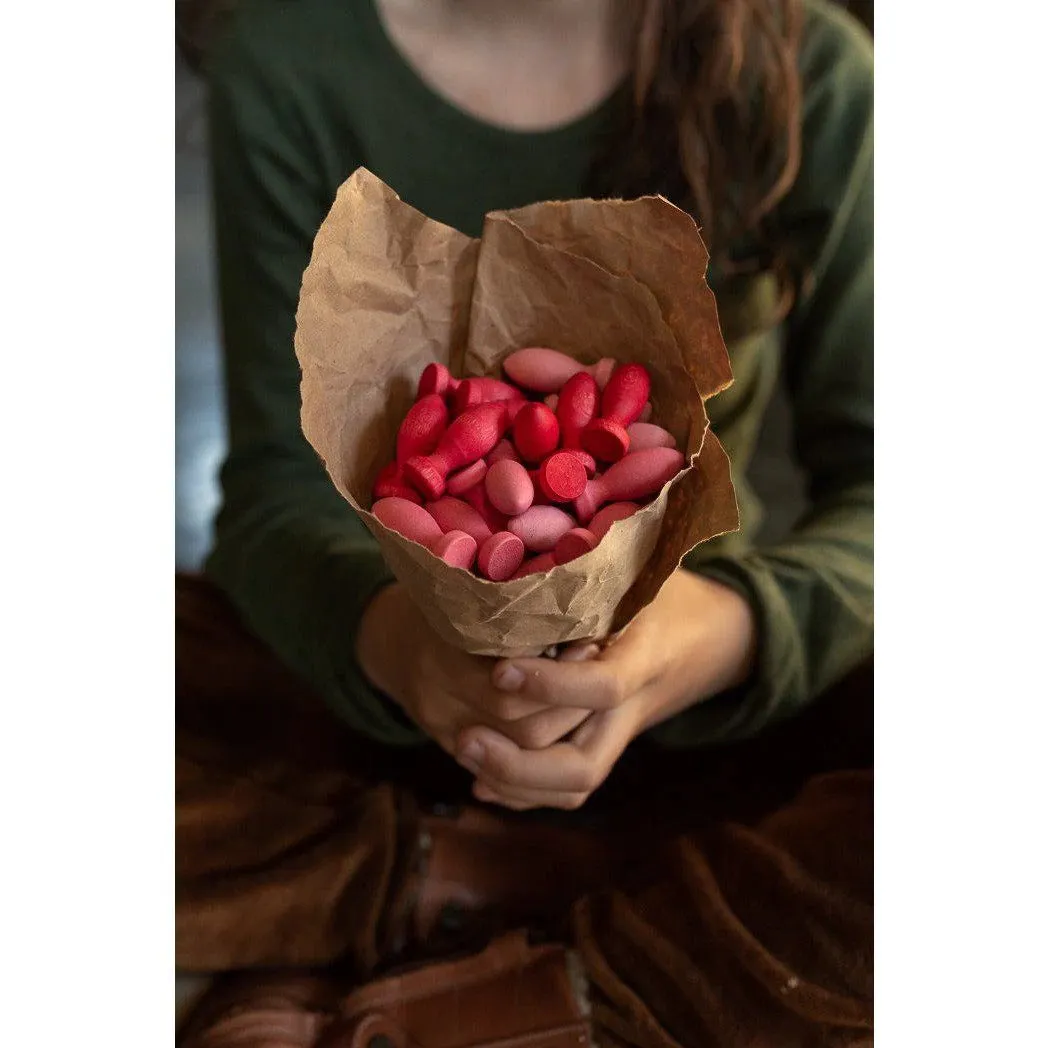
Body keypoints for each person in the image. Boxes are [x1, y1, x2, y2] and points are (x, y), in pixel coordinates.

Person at [175, 0, 873, 1042]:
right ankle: (467, 885)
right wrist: (402, 648)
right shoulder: (287, 60)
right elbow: (274, 498)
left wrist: (709, 637)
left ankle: (557, 973)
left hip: (714, 714)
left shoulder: (805, 69)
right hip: (374, 718)